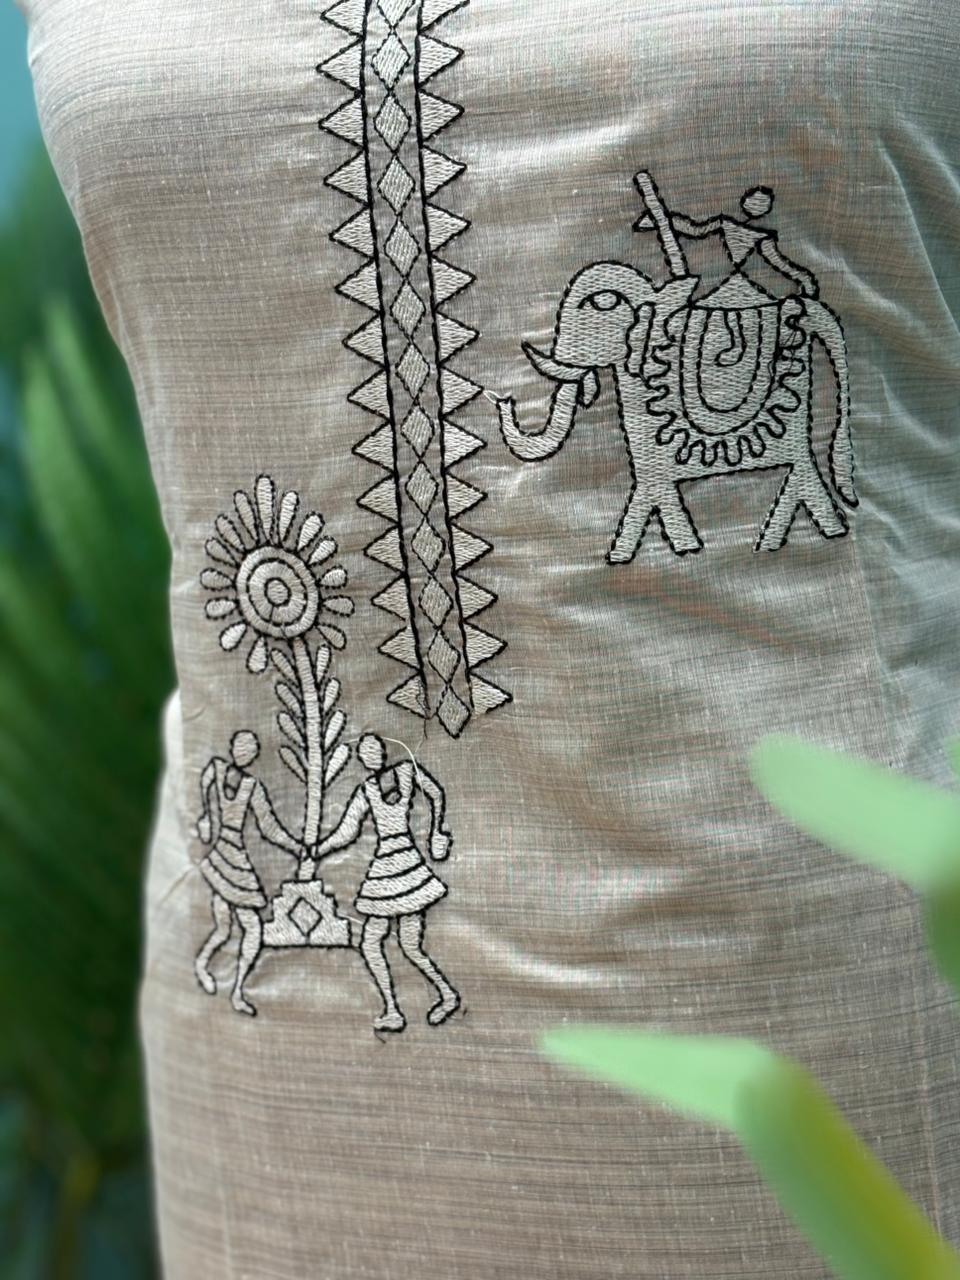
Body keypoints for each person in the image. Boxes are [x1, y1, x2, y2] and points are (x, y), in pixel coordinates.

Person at [316, 734, 460, 1033]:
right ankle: (400, 1007)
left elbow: (435, 793)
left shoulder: (405, 771)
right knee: (381, 943)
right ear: (362, 759)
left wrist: (436, 831)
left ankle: (434, 998)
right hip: (389, 867)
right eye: (365, 752)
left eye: (375, 749)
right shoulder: (367, 790)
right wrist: (319, 847)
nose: (371, 755)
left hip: (402, 866)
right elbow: (347, 831)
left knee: (404, 945)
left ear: (382, 752)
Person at [193, 729, 302, 1015]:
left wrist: (294, 845)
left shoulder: (251, 787)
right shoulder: (216, 769)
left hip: (235, 858)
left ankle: (235, 986)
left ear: (253, 756)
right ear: (232, 748)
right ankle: (216, 975)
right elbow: (205, 786)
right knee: (231, 928)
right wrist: (206, 817)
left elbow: (269, 827)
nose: (245, 753)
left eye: (250, 750)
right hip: (223, 858)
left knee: (237, 928)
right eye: (242, 746)